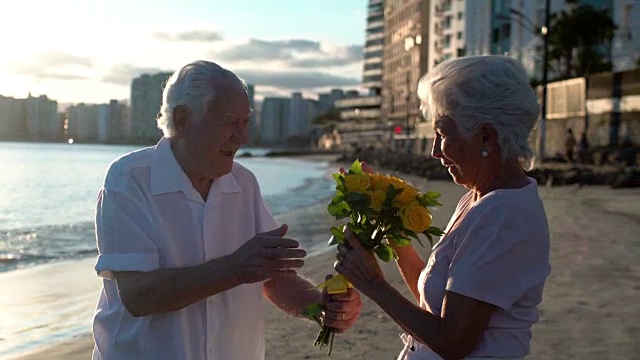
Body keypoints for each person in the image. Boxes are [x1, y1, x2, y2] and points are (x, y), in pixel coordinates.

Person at [92, 60, 362, 360]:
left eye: (246, 122)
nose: (242, 137)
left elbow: (271, 277)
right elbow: (139, 295)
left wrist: (320, 307)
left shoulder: (243, 183)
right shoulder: (130, 179)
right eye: (230, 121)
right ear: (182, 120)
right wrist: (236, 268)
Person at [334, 55, 551, 360]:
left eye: (443, 134)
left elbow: (453, 341)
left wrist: (372, 283)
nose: (435, 151)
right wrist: (391, 228)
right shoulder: (479, 198)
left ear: (486, 135)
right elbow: (438, 303)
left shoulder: (504, 214)